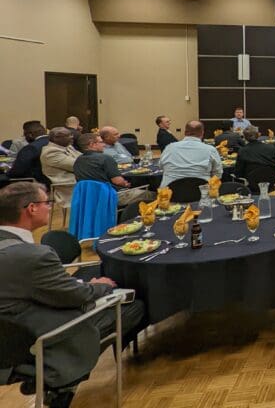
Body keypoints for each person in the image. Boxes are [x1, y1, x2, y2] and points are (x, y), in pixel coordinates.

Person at [0, 182, 146, 407]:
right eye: (46, 203)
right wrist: (101, 286)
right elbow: (77, 296)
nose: (50, 207)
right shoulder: (32, 256)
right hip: (37, 337)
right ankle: (65, 380)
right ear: (31, 208)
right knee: (133, 306)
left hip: (9, 336)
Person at [73, 133, 149, 206]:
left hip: (88, 198)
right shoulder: (106, 158)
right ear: (92, 144)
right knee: (152, 194)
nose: (104, 144)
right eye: (101, 142)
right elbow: (118, 181)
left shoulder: (78, 160)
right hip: (111, 196)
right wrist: (125, 184)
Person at [158, 121, 223, 188]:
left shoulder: (169, 148)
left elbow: (161, 166)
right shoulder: (210, 150)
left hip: (169, 194)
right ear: (202, 133)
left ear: (185, 132)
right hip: (202, 193)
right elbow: (218, 174)